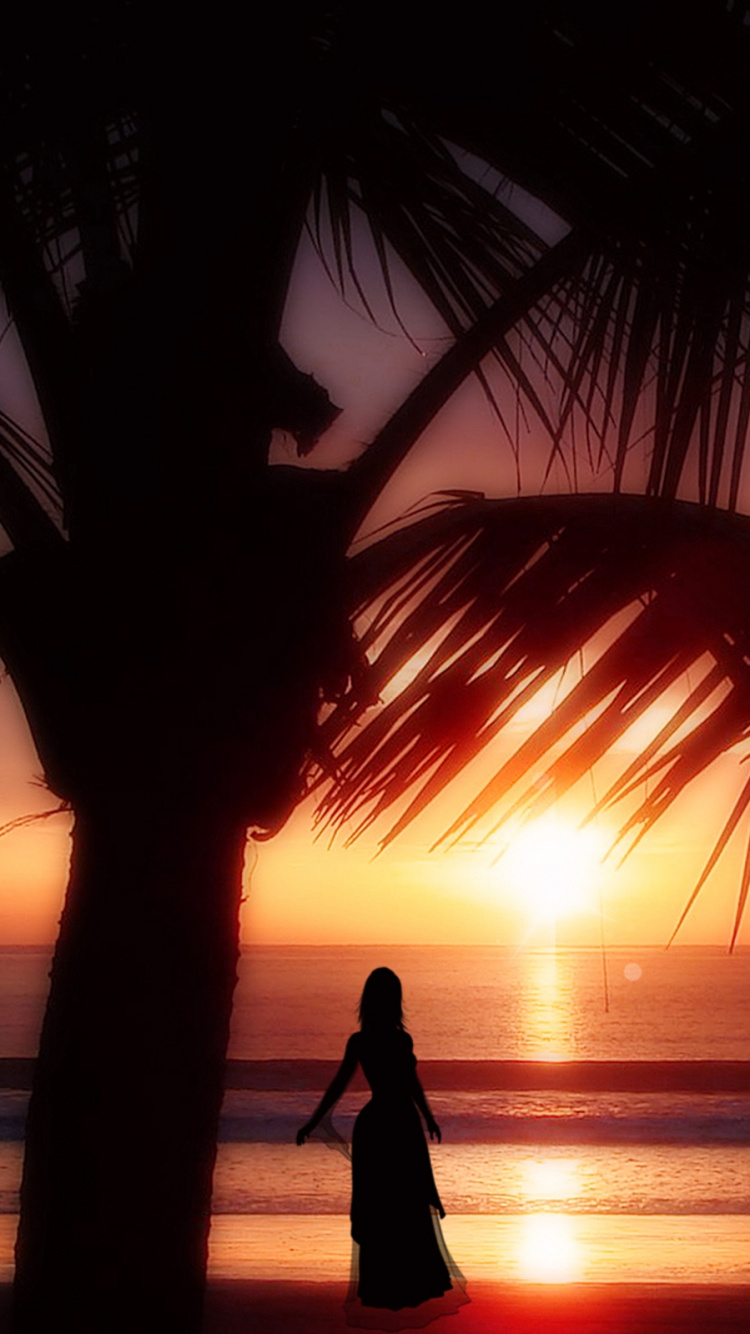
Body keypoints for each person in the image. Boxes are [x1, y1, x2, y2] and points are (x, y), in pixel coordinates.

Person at [296, 967, 467, 1321]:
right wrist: (426, 1116)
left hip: (378, 1127)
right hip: (399, 1125)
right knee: (399, 1201)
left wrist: (429, 1116)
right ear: (394, 1001)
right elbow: (395, 1085)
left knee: (387, 1202)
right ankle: (405, 1285)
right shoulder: (395, 1042)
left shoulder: (364, 1042)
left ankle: (386, 1286)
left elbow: (341, 1087)